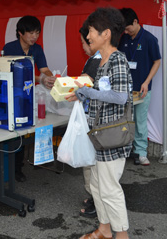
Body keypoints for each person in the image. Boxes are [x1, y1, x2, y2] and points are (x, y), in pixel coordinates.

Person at [66, 7, 132, 239]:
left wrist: (90, 92)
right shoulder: (102, 62)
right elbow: (101, 94)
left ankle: (121, 235)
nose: (88, 36)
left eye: (92, 31)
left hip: (112, 138)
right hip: (98, 137)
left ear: (106, 34)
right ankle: (104, 230)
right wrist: (83, 93)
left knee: (109, 188)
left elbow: (120, 96)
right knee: (96, 186)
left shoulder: (117, 59)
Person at [2, 15, 55, 182]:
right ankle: (15, 168)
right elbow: (14, 73)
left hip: (30, 94)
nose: (34, 37)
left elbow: (44, 69)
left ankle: (23, 163)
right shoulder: (9, 48)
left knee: (28, 129)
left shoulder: (37, 49)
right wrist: (41, 79)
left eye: (37, 33)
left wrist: (50, 77)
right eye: (31, 33)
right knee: (16, 132)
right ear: (20, 33)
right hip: (13, 95)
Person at [118, 8, 161, 166]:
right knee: (124, 120)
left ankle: (141, 152)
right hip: (124, 89)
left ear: (136, 22)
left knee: (140, 121)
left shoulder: (149, 39)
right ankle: (125, 149)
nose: (126, 31)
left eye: (128, 28)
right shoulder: (123, 38)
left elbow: (157, 61)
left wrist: (146, 81)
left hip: (142, 89)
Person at [78, 23, 101, 219]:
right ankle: (95, 199)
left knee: (91, 163)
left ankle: (96, 203)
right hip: (97, 119)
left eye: (84, 42)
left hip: (93, 120)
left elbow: (82, 85)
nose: (83, 46)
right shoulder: (100, 58)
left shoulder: (95, 61)